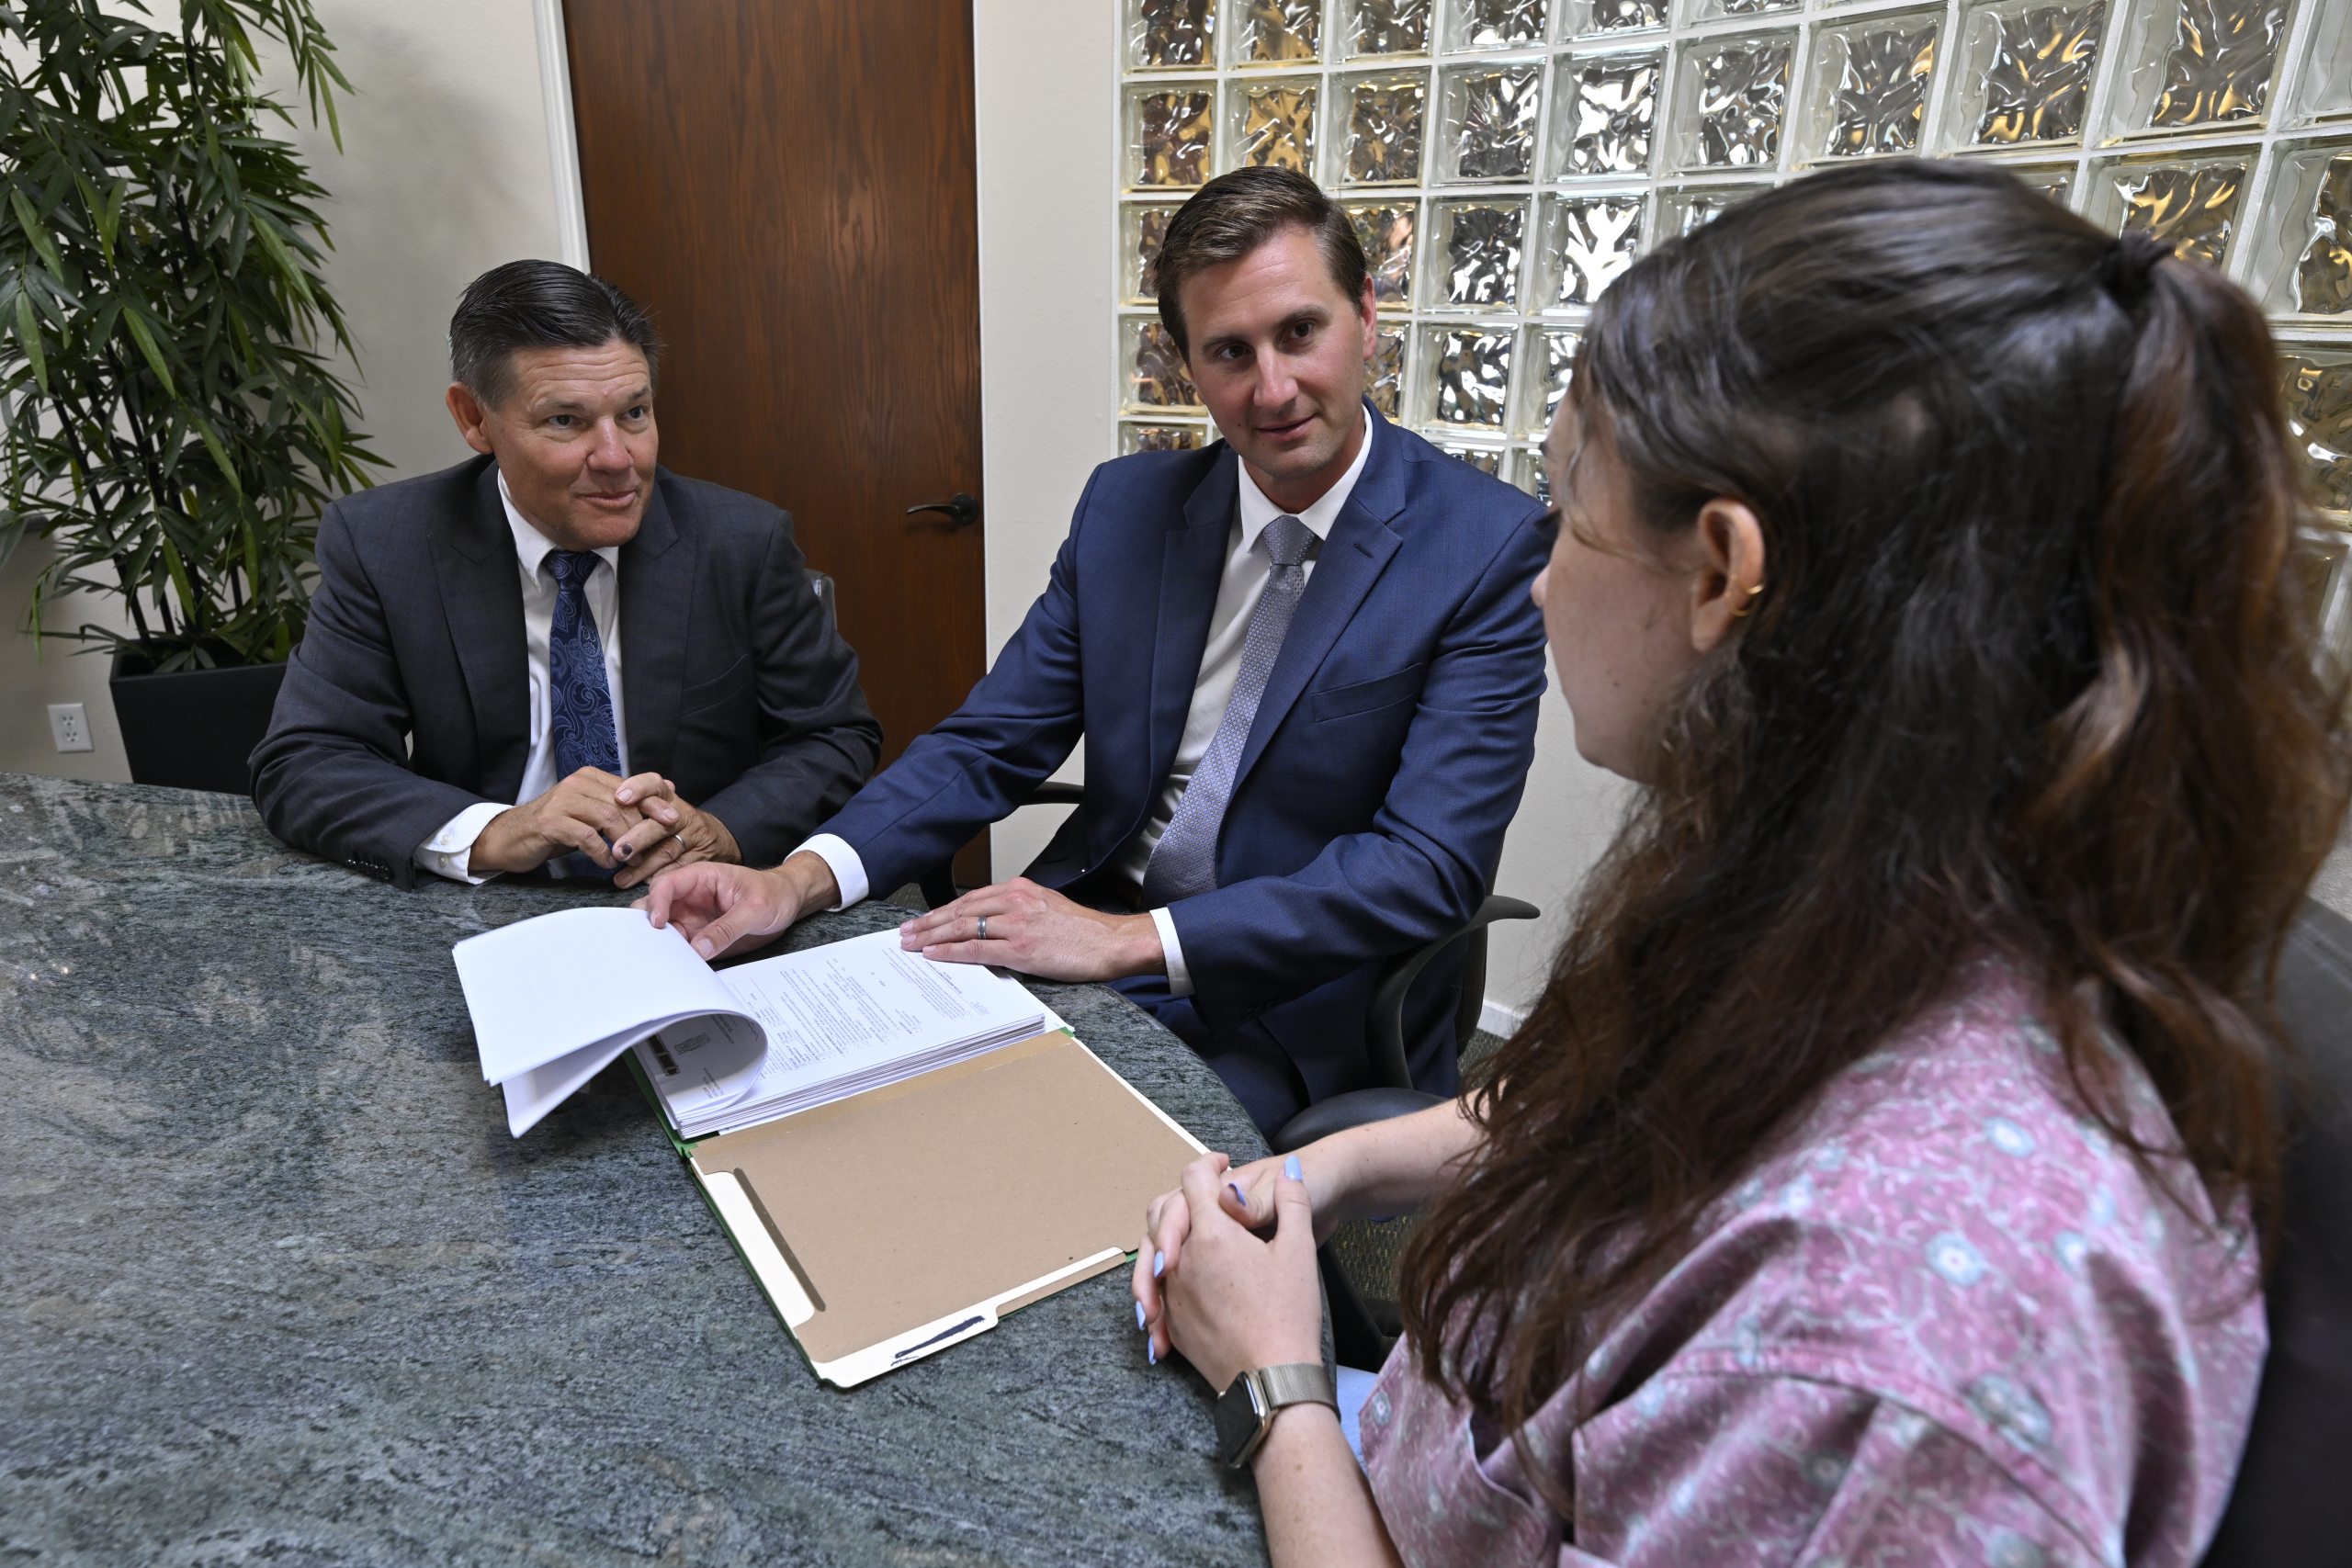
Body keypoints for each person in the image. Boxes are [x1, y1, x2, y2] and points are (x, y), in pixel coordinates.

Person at [1130, 161, 2352, 1565]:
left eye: (1570, 511)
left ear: (1720, 569)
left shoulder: (1885, 1343)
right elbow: (1644, 1105)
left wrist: (1277, 1375)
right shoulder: (1885, 896)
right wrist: (1336, 1169)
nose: (1539, 580)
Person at [642, 168, 1550, 1134]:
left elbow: (1424, 865)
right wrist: (793, 879)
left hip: (1294, 1000)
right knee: (838, 1108)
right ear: (1185, 364)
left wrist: (1129, 940)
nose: (1273, 388)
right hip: (1080, 925)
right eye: (1229, 352)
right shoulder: (1128, 509)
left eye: (1299, 332)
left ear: (1365, 315)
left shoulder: (1485, 547)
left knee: (1078, 1169)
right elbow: (989, 742)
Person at [251, 261, 880, 890]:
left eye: (634, 413)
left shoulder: (741, 542)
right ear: (474, 418)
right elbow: (307, 761)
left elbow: (834, 736)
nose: (617, 458)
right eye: (565, 421)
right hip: (485, 905)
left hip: (690, 902)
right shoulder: (386, 544)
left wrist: (721, 828)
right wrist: (498, 832)